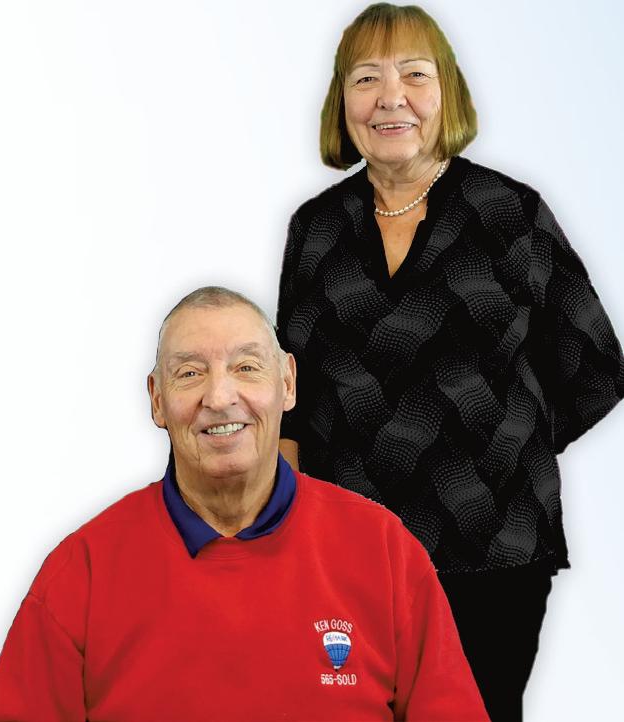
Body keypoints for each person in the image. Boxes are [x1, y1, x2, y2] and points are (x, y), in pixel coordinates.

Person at [276, 4, 624, 721]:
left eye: (414, 74)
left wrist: (502, 442)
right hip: (347, 554)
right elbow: (292, 399)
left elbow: (595, 367)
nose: (390, 97)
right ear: (342, 102)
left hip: (491, 548)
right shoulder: (316, 229)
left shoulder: (509, 213)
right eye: (366, 78)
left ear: (448, 93)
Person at [0, 286, 488, 722]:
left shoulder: (384, 551)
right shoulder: (81, 572)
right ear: (156, 399)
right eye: (190, 374)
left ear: (287, 384)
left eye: (246, 367)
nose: (220, 396)